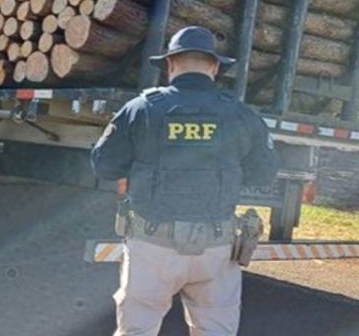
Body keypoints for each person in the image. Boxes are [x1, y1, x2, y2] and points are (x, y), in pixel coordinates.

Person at [91, 26, 279, 336]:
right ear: (215, 67)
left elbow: (104, 166)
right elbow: (265, 172)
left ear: (170, 65)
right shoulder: (239, 114)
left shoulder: (142, 108)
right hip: (216, 250)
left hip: (152, 247)